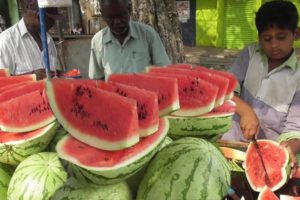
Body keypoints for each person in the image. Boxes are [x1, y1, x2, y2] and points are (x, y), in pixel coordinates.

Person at [222, 1, 300, 176]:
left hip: (265, 161)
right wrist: (245, 111)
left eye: (281, 37)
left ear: (296, 34)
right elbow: (225, 89)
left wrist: (289, 149)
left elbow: (296, 128)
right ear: (259, 37)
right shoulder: (250, 55)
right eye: (267, 39)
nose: (273, 45)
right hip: (229, 146)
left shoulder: (298, 79)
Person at [88, 0, 171, 80]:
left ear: (130, 8)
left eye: (121, 15)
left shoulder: (148, 35)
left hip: (145, 93)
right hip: (113, 94)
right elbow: (97, 79)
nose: (117, 21)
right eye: (111, 17)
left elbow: (164, 71)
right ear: (103, 15)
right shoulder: (97, 41)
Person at [0, 0, 62, 80]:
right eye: (51, 19)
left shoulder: (49, 40)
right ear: (39, 16)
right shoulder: (6, 41)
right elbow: (2, 82)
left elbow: (53, 72)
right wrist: (29, 77)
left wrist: (59, 74)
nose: (53, 23)